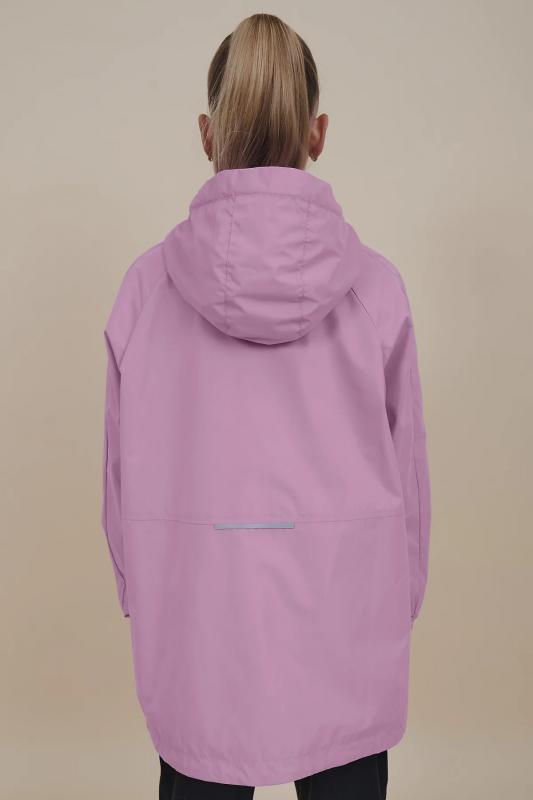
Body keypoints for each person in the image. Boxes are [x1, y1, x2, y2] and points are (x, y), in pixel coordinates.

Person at [100, 13, 431, 800]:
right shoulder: (376, 289)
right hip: (344, 626)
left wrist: (143, 595)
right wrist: (397, 604)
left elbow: (118, 480)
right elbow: (408, 480)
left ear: (207, 134)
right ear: (317, 133)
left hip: (197, 630)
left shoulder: (146, 290)